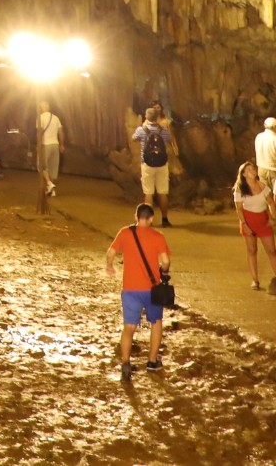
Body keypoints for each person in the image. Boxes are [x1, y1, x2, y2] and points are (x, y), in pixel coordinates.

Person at [107, 203, 172, 375]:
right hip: (151, 289)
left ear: (136, 217)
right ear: (151, 219)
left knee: (129, 327)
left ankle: (126, 363)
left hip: (130, 288)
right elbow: (165, 261)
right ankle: (152, 361)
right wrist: (164, 272)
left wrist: (109, 267)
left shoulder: (125, 233)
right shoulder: (158, 236)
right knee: (156, 322)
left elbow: (111, 253)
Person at [231, 161, 276, 291]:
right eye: (248, 170)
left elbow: (271, 202)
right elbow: (238, 209)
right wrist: (244, 224)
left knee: (271, 251)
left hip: (262, 220)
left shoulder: (262, 186)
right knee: (252, 250)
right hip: (248, 220)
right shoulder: (240, 188)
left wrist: (273, 217)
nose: (252, 171)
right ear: (243, 174)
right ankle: (255, 280)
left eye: (253, 169)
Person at [132, 106, 173, 225]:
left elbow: (134, 138)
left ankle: (148, 221)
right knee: (163, 193)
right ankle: (165, 219)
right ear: (157, 117)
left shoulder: (142, 129)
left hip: (147, 164)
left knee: (148, 193)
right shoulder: (164, 130)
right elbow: (169, 139)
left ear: (146, 117)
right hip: (162, 164)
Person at [35, 98, 62, 197]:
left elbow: (39, 133)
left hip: (45, 144)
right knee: (52, 168)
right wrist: (62, 144)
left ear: (41, 108)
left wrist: (38, 145)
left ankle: (49, 184)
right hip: (55, 144)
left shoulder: (40, 118)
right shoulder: (56, 118)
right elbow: (61, 132)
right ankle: (51, 190)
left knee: (41, 165)